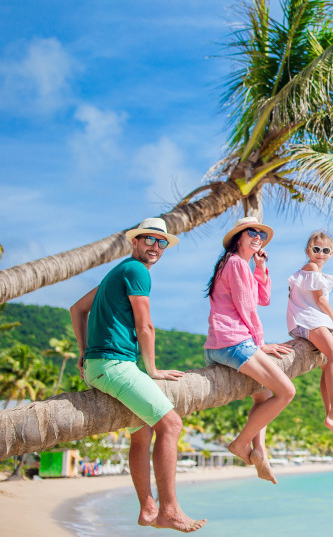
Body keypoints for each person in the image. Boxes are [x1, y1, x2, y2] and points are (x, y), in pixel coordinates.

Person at [70, 217, 206, 533]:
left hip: (102, 365)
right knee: (171, 423)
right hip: (114, 365)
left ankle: (148, 509)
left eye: (161, 242)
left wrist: (84, 351)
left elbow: (77, 308)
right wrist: (153, 370)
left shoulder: (116, 273)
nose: (155, 247)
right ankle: (170, 510)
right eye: (149, 240)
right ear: (135, 242)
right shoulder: (136, 271)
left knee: (142, 433)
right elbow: (145, 325)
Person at [204, 217, 295, 484]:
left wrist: (261, 265)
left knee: (263, 396)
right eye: (252, 233)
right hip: (234, 342)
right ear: (238, 238)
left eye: (261, 235)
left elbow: (262, 299)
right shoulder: (235, 264)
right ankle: (241, 443)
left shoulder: (238, 265)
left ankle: (260, 452)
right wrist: (260, 344)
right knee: (287, 391)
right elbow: (247, 308)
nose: (258, 237)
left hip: (219, 344)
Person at [286, 231, 333, 439]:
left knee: (327, 365)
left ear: (332, 253)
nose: (320, 253)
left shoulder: (318, 273)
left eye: (325, 250)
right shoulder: (311, 268)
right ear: (308, 250)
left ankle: (330, 417)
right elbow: (320, 301)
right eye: (316, 249)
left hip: (311, 319)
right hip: (307, 319)